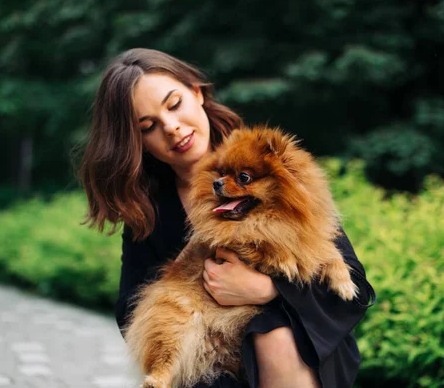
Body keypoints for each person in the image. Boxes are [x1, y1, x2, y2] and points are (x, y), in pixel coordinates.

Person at [79, 48, 376, 388]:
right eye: (149, 126)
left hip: (302, 354)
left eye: (174, 104)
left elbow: (354, 290)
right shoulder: (149, 212)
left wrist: (270, 290)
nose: (172, 128)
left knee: (274, 333)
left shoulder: (265, 161)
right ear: (138, 141)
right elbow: (131, 314)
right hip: (208, 364)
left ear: (196, 92)